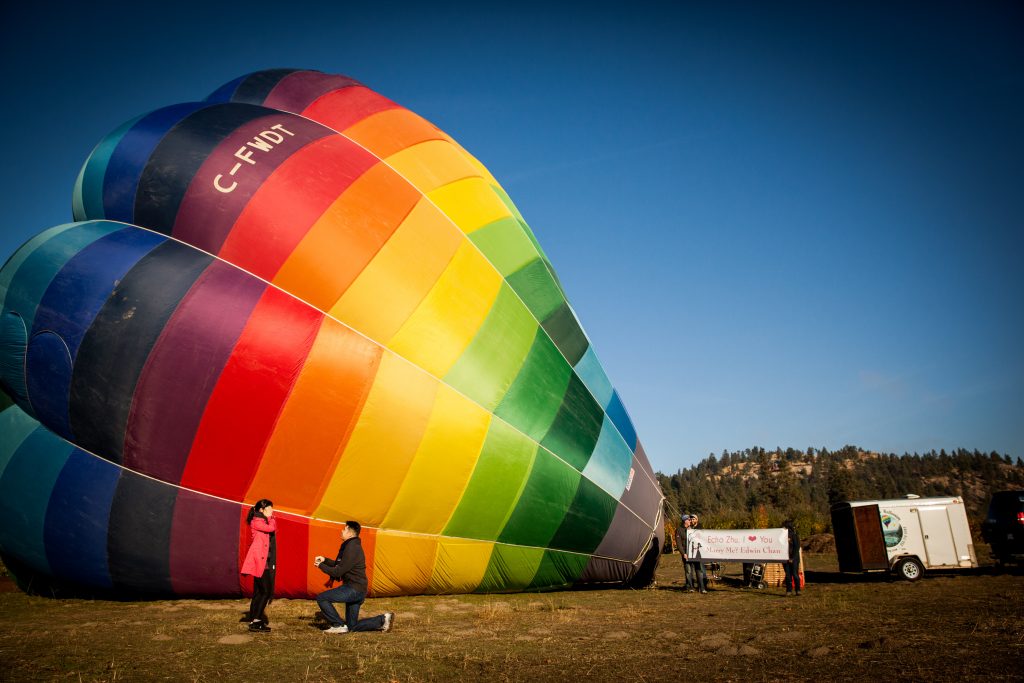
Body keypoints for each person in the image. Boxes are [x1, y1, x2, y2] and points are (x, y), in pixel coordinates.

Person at [314, 521, 394, 634]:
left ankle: (338, 625)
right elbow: (342, 565)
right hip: (358, 589)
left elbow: (338, 572)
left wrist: (321, 566)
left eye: (344, 529)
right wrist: (325, 560)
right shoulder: (352, 546)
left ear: (350, 534)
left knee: (322, 598)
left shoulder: (351, 548)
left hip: (353, 589)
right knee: (352, 626)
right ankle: (383, 620)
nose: (342, 531)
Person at [240, 499, 277, 632]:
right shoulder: (257, 521)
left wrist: (269, 517)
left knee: (260, 591)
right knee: (265, 592)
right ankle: (256, 621)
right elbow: (271, 528)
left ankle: (255, 618)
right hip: (260, 562)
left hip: (263, 562)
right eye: (269, 508)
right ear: (262, 510)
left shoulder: (261, 520)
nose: (272, 511)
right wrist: (271, 518)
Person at [687, 514, 709, 593]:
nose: (692, 521)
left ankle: (704, 585)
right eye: (691, 519)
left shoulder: (700, 527)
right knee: (693, 569)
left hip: (700, 552)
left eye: (694, 519)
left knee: (701, 569)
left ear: (697, 520)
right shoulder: (689, 528)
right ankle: (696, 585)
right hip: (692, 552)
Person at [674, 516, 696, 591]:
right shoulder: (679, 530)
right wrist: (683, 553)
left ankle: (690, 585)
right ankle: (690, 587)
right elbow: (679, 543)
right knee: (688, 570)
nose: (690, 521)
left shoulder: (691, 529)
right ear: (685, 521)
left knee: (692, 569)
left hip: (693, 553)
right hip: (685, 553)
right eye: (689, 520)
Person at [783, 520, 802, 596]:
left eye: (784, 526)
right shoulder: (782, 536)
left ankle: (798, 590)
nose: (783, 528)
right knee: (788, 575)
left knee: (795, 574)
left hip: (794, 559)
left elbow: (796, 547)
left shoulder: (794, 536)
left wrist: (792, 558)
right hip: (785, 558)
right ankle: (789, 590)